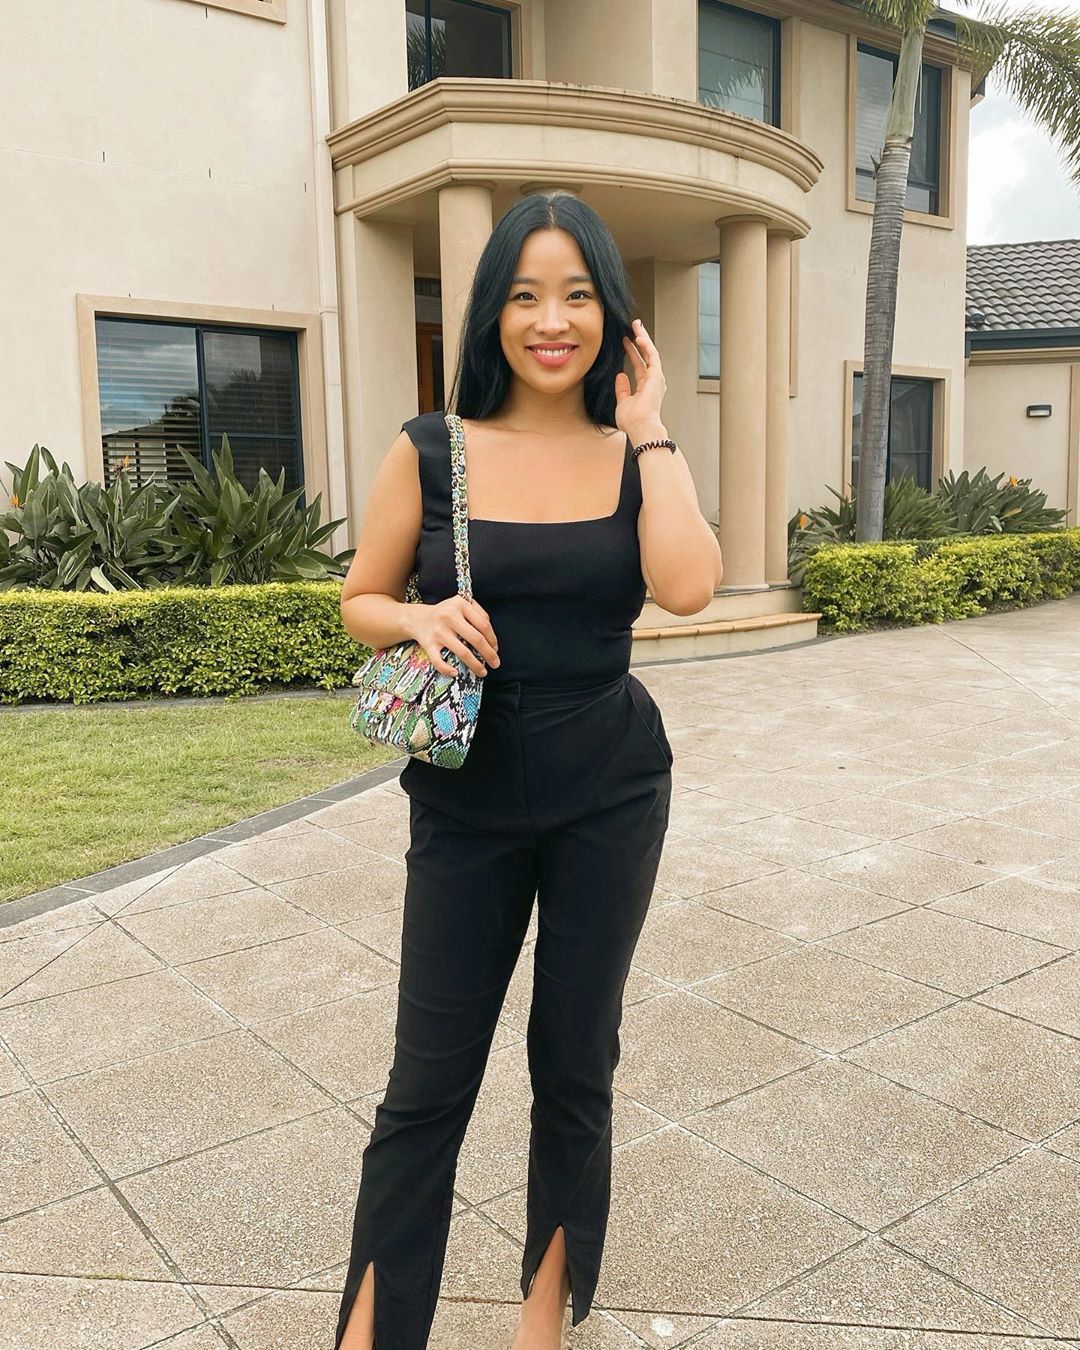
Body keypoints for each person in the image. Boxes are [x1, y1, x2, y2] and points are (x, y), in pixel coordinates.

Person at [335, 190, 723, 1350]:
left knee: (574, 1061)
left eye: (576, 296)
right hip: (465, 799)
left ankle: (543, 1321)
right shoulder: (431, 450)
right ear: (492, 314)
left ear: (613, 315)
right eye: (523, 297)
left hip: (612, 789)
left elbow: (689, 585)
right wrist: (417, 620)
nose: (550, 321)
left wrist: (649, 424)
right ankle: (369, 1335)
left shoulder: (636, 456)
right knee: (426, 1086)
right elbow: (360, 598)